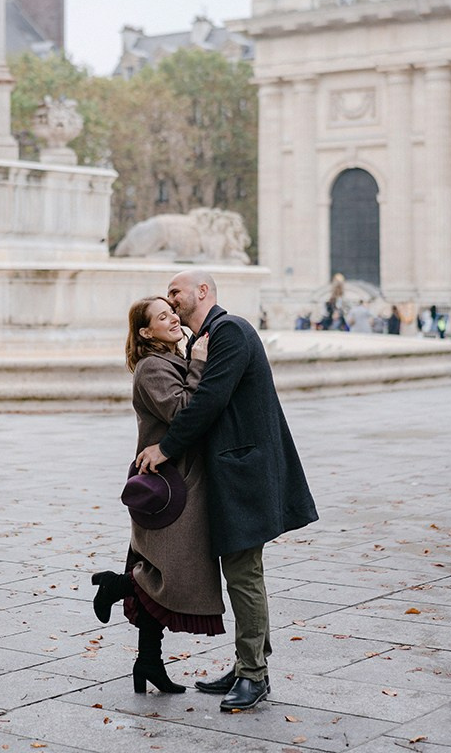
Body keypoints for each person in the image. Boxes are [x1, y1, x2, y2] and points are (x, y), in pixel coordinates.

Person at [136, 270, 318, 712]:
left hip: (244, 474)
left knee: (243, 573)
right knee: (240, 572)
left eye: (176, 291)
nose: (171, 298)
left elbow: (208, 401)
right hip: (231, 474)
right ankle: (246, 665)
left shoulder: (229, 330)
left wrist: (165, 448)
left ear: (202, 292)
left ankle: (254, 676)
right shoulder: (211, 336)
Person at [91, 295, 225, 695]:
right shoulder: (152, 367)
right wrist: (200, 363)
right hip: (168, 487)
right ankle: (118, 586)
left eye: (172, 313)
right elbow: (185, 411)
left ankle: (148, 662)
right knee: (170, 573)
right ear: (146, 332)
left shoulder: (172, 359)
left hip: (176, 482)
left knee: (156, 564)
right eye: (161, 316)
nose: (172, 319)